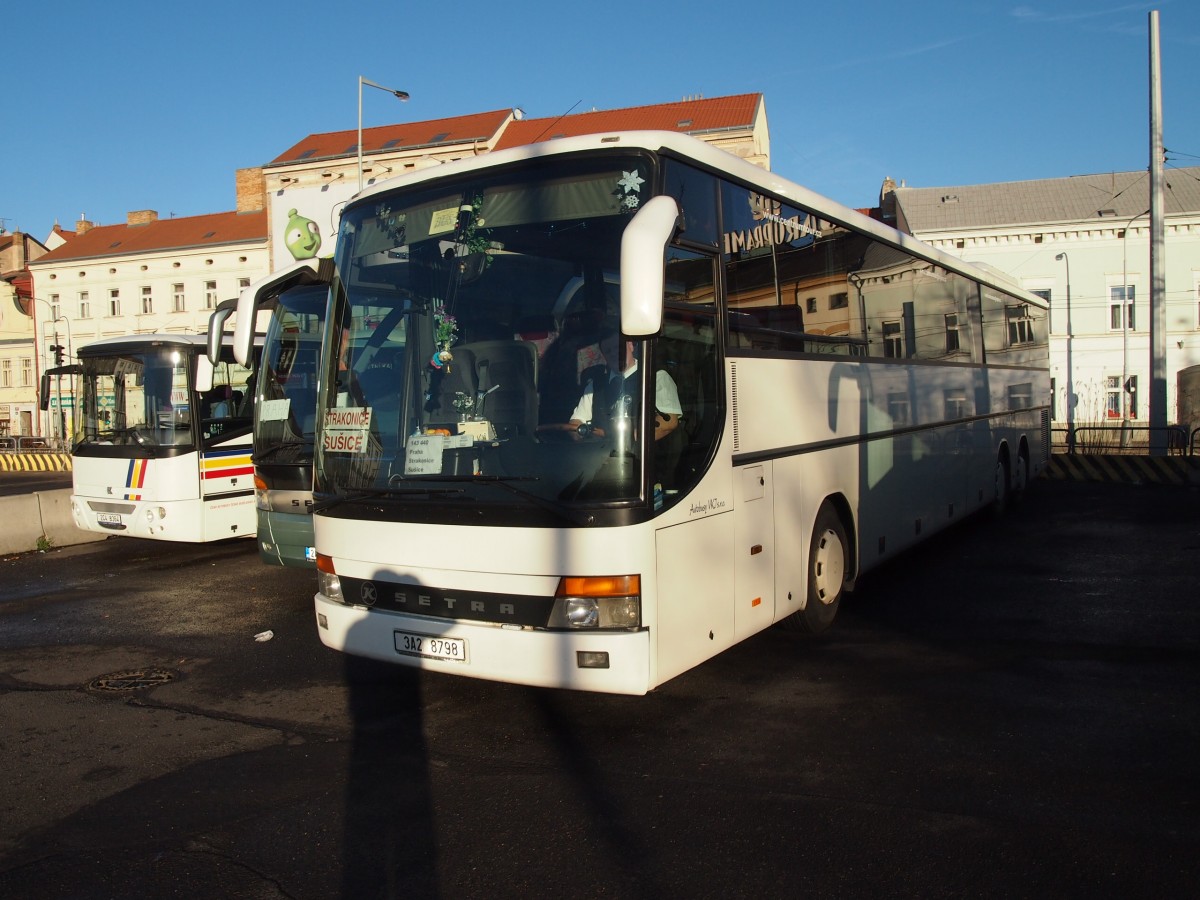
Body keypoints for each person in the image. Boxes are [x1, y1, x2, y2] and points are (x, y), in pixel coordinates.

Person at [567, 329, 682, 442]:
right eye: (608, 351)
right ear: (604, 356)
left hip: (644, 458)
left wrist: (626, 440)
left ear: (631, 346)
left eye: (618, 347)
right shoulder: (596, 385)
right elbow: (575, 425)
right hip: (600, 457)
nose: (614, 354)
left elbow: (669, 422)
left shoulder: (656, 377)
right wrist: (585, 434)